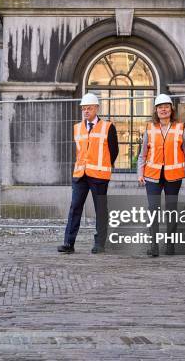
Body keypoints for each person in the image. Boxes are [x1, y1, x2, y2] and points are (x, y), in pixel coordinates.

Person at [57, 93, 119, 254]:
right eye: (84, 108)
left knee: (100, 210)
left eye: (89, 108)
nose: (86, 111)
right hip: (80, 175)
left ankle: (99, 244)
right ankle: (68, 244)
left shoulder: (108, 127)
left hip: (99, 176)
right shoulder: (77, 128)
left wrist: (103, 164)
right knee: (75, 207)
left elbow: (114, 151)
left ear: (96, 108)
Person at [137, 94, 185, 257]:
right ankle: (153, 246)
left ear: (171, 109)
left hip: (173, 176)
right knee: (153, 210)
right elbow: (142, 154)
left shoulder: (180, 128)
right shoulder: (150, 128)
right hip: (152, 176)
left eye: (166, 106)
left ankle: (170, 245)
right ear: (156, 110)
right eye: (160, 107)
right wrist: (140, 173)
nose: (163, 109)